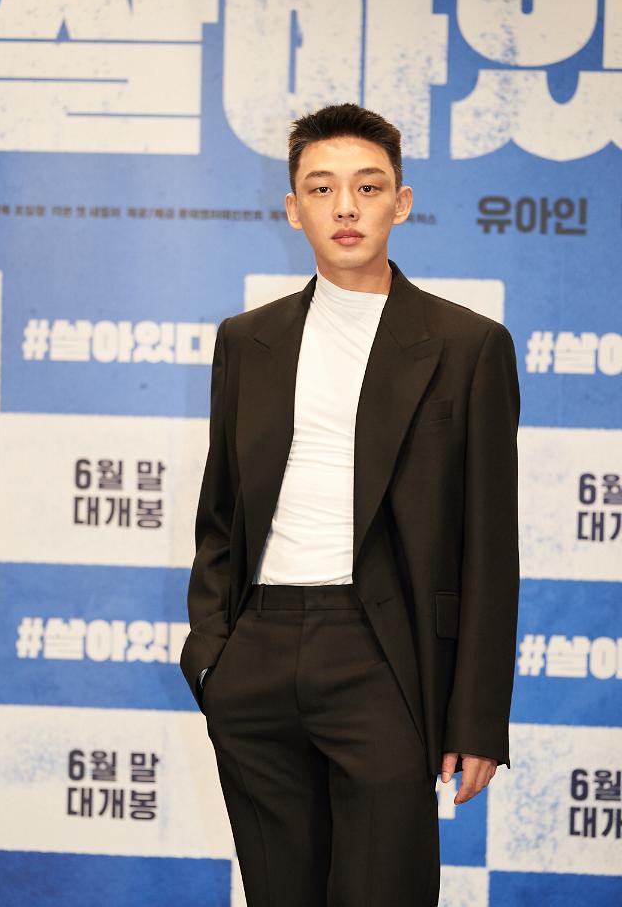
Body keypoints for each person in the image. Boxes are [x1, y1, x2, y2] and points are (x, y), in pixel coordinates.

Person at [180, 103, 520, 907]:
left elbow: (490, 547)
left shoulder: (469, 346)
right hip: (257, 653)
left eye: (367, 187)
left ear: (401, 203)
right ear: (291, 208)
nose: (345, 207)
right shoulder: (247, 340)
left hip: (383, 656)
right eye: (321, 187)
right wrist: (214, 655)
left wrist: (476, 718)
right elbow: (221, 515)